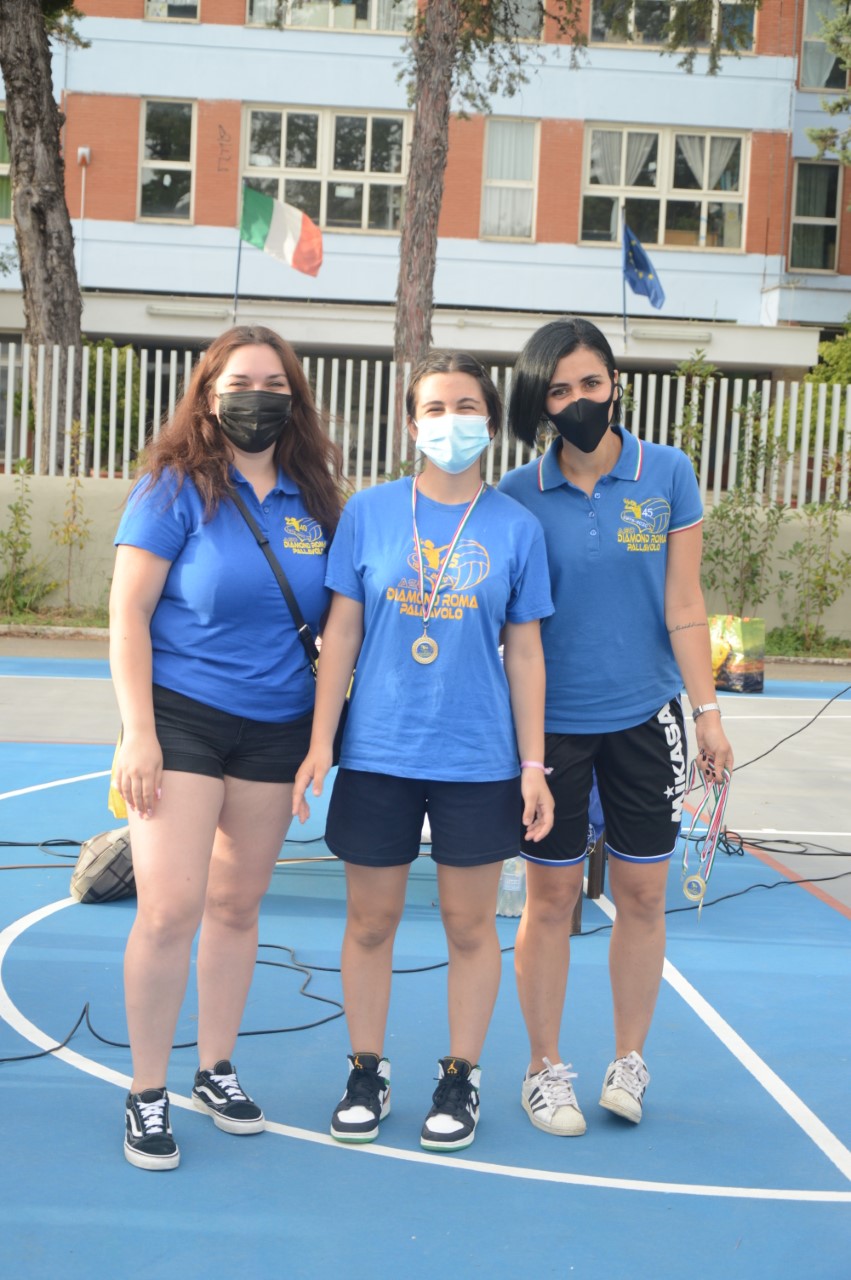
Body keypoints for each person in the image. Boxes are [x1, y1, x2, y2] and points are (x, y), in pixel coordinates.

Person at [292, 350, 554, 1153]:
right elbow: (341, 633)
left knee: (469, 927)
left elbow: (526, 653)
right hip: (380, 751)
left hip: (477, 757)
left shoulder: (515, 526)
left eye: (465, 406)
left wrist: (533, 766)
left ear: (490, 422)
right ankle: (365, 1071)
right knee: (370, 921)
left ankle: (459, 1076)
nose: (450, 422)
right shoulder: (370, 514)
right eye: (434, 408)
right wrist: (321, 741)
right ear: (411, 426)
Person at [109, 324, 344, 1170]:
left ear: (295, 398)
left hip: (276, 728)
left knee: (237, 908)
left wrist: (321, 737)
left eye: (274, 384)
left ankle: (215, 1068)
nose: (258, 397)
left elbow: (342, 625)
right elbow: (128, 614)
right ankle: (145, 1090)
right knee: (170, 909)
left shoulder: (317, 500)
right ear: (208, 395)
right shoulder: (174, 488)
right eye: (240, 382)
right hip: (182, 719)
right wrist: (138, 731)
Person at [499, 317, 733, 1136]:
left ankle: (628, 1059)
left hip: (646, 717)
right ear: (539, 402)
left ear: (615, 386)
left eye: (590, 383)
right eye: (558, 390)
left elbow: (684, 603)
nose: (577, 401)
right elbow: (513, 629)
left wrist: (706, 712)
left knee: (640, 892)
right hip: (551, 728)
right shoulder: (516, 495)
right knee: (551, 897)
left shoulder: (667, 472)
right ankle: (543, 1068)